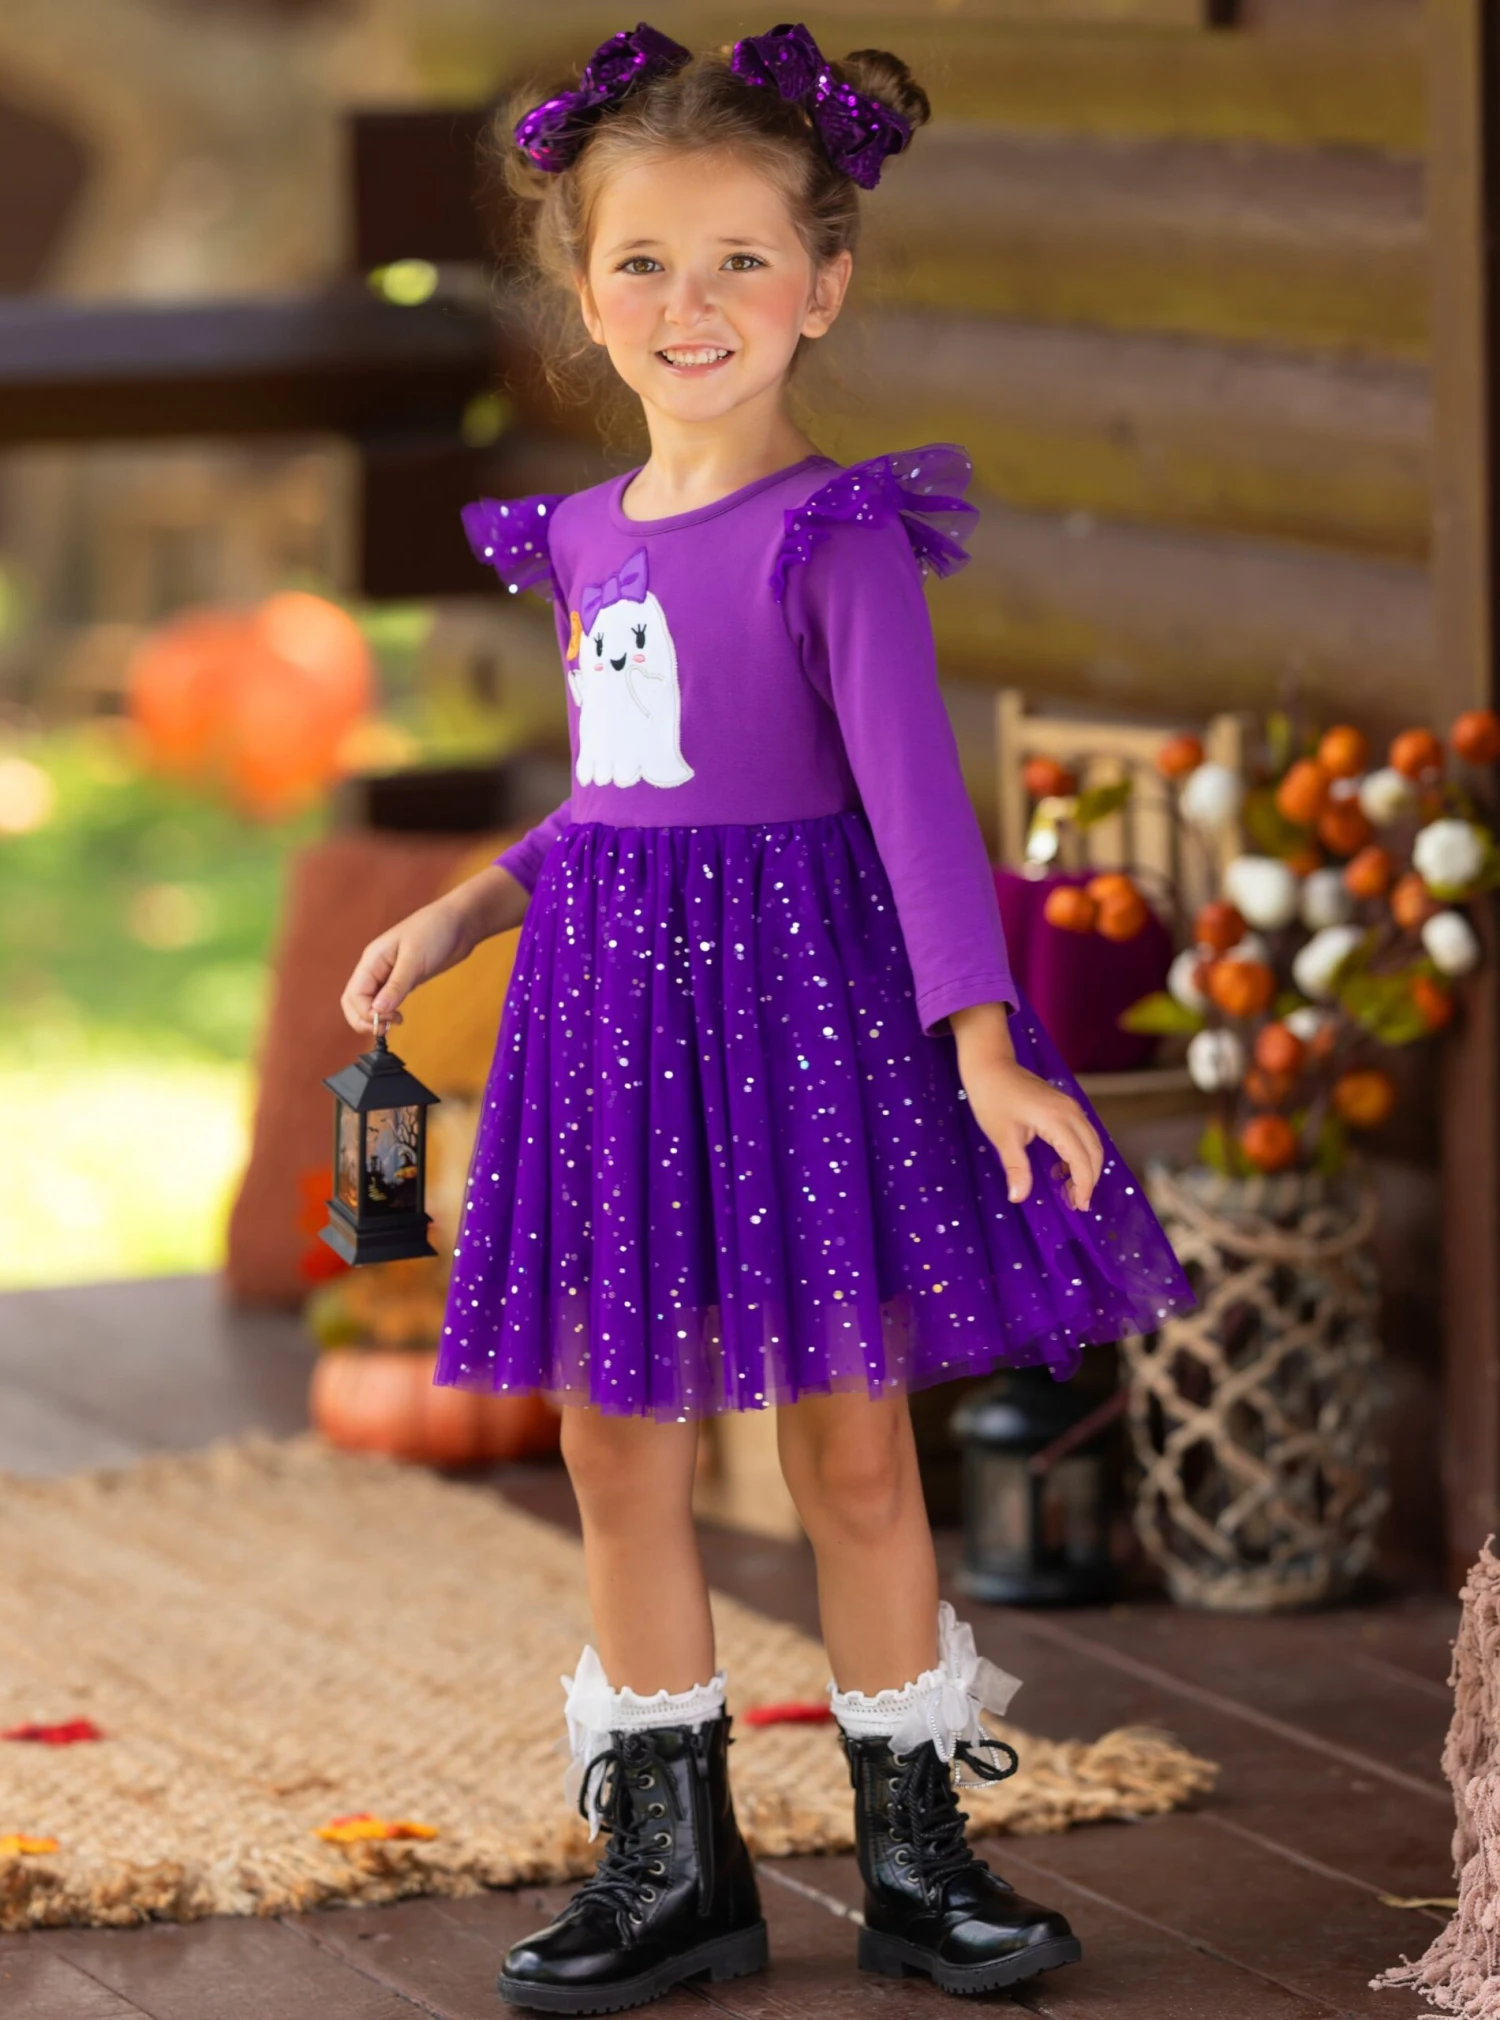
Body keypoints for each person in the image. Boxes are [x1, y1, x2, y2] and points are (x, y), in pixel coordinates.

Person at [340, 20, 1195, 2012]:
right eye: (644, 260)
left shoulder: (839, 535)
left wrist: (981, 1041)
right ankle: (672, 1865)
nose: (691, 301)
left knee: (852, 1443)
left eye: (740, 258)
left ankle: (917, 1854)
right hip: (608, 1029)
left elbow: (916, 803)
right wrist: (467, 903)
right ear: (583, 294)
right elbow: (620, 792)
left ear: (822, 286)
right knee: (612, 1440)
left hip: (813, 1016)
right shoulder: (580, 537)